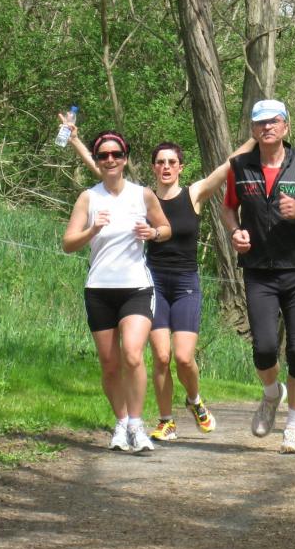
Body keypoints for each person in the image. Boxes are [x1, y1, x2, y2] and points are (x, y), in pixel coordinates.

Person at [60, 114, 254, 441]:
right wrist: (76, 140)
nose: (166, 167)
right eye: (160, 162)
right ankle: (166, 421)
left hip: (186, 282)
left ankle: (194, 399)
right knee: (161, 357)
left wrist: (256, 137)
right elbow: (104, 170)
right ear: (152, 167)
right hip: (152, 282)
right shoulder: (141, 195)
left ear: (180, 167)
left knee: (183, 357)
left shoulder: (193, 194)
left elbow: (227, 165)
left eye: (172, 162)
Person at [221, 99, 295, 454]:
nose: (267, 127)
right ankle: (272, 394)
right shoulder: (239, 166)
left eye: (273, 121)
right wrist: (235, 232)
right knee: (265, 348)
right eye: (260, 123)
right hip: (258, 269)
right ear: (253, 129)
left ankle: (294, 428)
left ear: (286, 126)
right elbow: (228, 208)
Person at [62, 130, 171, 453]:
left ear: (125, 159)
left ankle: (137, 423)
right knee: (110, 365)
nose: (110, 160)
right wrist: (92, 229)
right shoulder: (88, 198)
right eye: (103, 155)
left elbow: (166, 228)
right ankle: (121, 423)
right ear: (97, 161)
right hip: (99, 289)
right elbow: (68, 243)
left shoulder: (143, 195)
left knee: (133, 355)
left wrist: (152, 232)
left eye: (116, 154)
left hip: (136, 287)